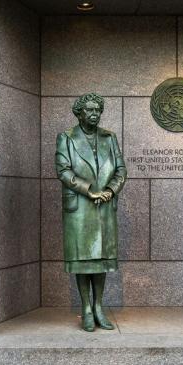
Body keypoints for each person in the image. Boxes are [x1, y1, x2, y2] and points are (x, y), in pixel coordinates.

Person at [54, 93, 127, 332]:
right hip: (80, 208)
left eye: (98, 110)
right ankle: (85, 308)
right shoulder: (66, 137)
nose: (95, 114)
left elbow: (121, 169)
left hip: (104, 205)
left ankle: (98, 306)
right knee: (83, 259)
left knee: (101, 259)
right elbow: (63, 170)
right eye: (90, 110)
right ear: (79, 113)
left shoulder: (110, 137)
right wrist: (89, 191)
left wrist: (110, 190)